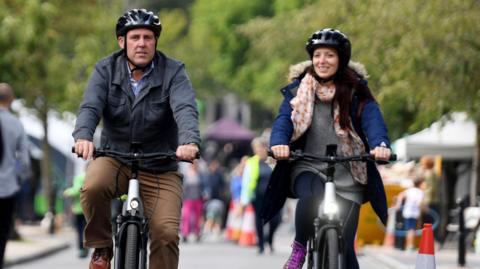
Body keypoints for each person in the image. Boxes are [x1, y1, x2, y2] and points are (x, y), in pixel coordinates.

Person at [72, 9, 200, 269]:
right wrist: (84, 136)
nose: (141, 43)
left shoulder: (174, 71)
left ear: (155, 41)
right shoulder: (105, 69)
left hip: (161, 164)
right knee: (92, 187)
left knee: (165, 234)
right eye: (135, 38)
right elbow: (90, 107)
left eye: (148, 37)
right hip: (114, 157)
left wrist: (189, 141)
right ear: (122, 41)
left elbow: (185, 108)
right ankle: (102, 246)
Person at [265, 28, 392, 269]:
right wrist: (278, 143)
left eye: (330, 55)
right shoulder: (298, 89)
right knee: (311, 197)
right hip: (308, 164)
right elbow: (284, 119)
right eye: (317, 55)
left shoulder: (357, 91)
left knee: (345, 247)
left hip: (350, 169)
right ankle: (300, 248)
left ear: (341, 59)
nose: (322, 61)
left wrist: (380, 145)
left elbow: (373, 120)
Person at [0, 83, 31, 269]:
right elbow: (25, 160)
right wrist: (19, 179)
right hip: (7, 187)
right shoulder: (16, 124)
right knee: (2, 230)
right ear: (10, 100)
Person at [241, 137, 281, 254]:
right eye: (256, 148)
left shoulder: (272, 161)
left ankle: (269, 240)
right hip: (257, 197)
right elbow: (246, 181)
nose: (258, 150)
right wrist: (244, 200)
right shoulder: (251, 162)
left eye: (260, 147)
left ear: (265, 148)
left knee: (275, 220)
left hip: (272, 196)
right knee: (259, 220)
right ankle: (261, 245)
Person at [394, 172, 427, 251]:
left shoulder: (410, 190)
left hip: (407, 212)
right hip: (414, 213)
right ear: (420, 184)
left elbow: (401, 195)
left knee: (409, 229)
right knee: (411, 230)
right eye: (423, 183)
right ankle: (410, 245)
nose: (425, 185)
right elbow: (419, 204)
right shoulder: (420, 192)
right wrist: (425, 209)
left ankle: (408, 245)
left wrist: (398, 204)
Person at [63, 170, 89, 258]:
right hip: (89, 208)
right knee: (87, 229)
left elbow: (77, 190)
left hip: (79, 208)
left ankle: (82, 248)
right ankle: (86, 246)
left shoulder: (80, 177)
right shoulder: (93, 176)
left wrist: (68, 192)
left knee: (80, 230)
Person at [179, 161, 206, 243]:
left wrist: (205, 194)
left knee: (197, 217)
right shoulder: (186, 175)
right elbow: (182, 187)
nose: (194, 166)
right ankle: (185, 233)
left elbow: (203, 186)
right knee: (186, 216)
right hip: (188, 198)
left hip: (198, 198)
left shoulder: (200, 175)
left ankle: (197, 233)